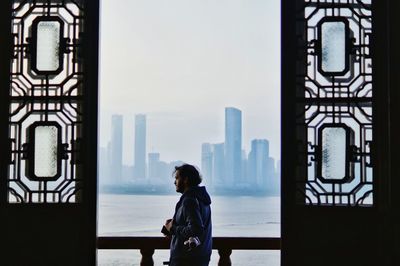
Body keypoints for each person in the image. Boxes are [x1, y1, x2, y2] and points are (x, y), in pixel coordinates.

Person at [163, 164, 212, 266]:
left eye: (177, 178)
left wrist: (173, 228)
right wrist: (172, 227)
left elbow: (196, 229)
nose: (174, 182)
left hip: (186, 259)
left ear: (185, 179)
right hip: (201, 257)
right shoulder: (202, 199)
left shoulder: (189, 200)